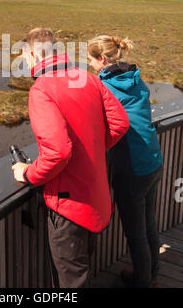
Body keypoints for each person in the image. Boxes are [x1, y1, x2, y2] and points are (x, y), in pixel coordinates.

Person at [12, 27, 130, 288]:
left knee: (71, 282)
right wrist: (92, 149)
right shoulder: (87, 78)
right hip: (95, 196)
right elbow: (120, 123)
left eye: (25, 57)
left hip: (67, 206)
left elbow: (58, 152)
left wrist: (28, 173)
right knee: (82, 270)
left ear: (33, 54)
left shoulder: (41, 90)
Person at [87, 34, 163, 288]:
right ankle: (153, 274)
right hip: (152, 159)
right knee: (149, 225)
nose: (90, 66)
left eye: (91, 60)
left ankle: (142, 281)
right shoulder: (134, 77)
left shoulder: (104, 88)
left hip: (132, 169)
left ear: (103, 59)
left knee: (136, 234)